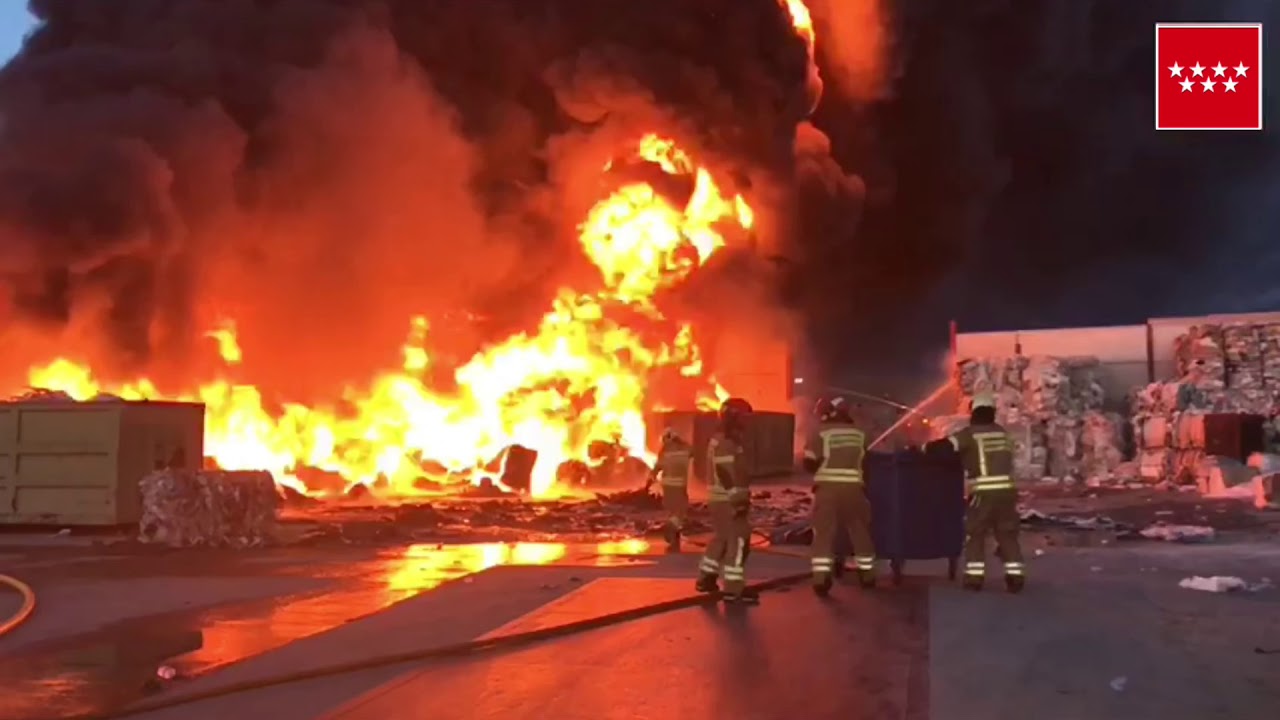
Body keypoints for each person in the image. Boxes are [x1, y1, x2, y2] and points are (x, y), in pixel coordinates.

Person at [924, 392, 1025, 593]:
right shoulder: (1003, 434)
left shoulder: (970, 434)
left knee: (975, 533)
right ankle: (1015, 576)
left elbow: (944, 448)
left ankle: (974, 578)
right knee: (1007, 534)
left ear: (974, 411)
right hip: (1007, 492)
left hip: (984, 493)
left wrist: (925, 448)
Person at [803, 396, 875, 595]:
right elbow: (867, 459)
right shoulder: (860, 433)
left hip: (827, 491)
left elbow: (809, 464)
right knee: (860, 531)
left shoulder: (819, 433)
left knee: (824, 535)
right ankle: (867, 574)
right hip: (854, 491)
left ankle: (821, 579)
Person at [694, 397, 758, 605]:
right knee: (739, 542)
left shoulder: (721, 439)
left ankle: (706, 578)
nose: (747, 423)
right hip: (728, 501)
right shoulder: (726, 442)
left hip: (720, 500)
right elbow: (725, 471)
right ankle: (733, 589)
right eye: (744, 418)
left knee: (721, 539)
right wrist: (737, 500)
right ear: (733, 418)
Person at [650, 427, 692, 552]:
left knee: (672, 509)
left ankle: (674, 534)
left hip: (667, 485)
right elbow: (693, 451)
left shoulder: (664, 451)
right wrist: (682, 442)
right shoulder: (684, 449)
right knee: (681, 510)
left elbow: (657, 467)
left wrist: (651, 478)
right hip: (680, 485)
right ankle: (672, 528)